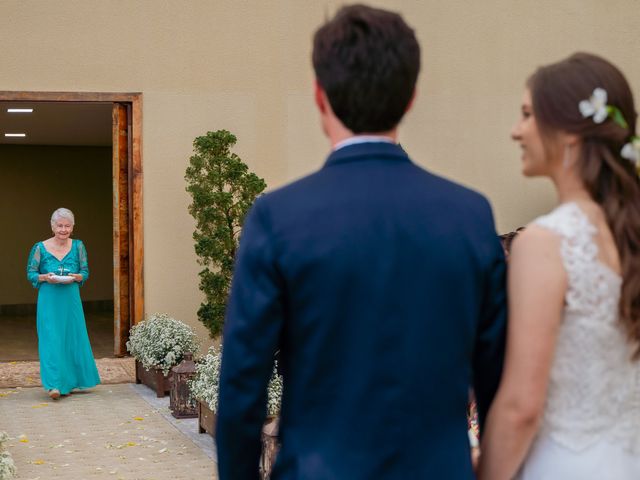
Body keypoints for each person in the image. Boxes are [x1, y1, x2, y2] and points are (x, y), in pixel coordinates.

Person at [216, 5, 507, 479]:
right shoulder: (469, 216)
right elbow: (497, 381)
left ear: (319, 95)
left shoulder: (279, 217)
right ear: (411, 97)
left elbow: (242, 383)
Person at [479, 53, 640, 479]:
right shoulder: (630, 237)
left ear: (569, 134)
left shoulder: (546, 243)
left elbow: (522, 407)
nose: (516, 130)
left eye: (528, 115)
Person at [26, 208, 100, 399]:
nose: (63, 229)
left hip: (71, 299)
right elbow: (31, 273)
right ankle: (54, 386)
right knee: (51, 339)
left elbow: (85, 271)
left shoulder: (78, 246)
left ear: (72, 227)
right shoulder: (39, 248)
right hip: (49, 299)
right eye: (60, 225)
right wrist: (44, 277)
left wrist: (78, 276)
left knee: (72, 338)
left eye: (67, 226)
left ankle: (71, 381)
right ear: (53, 226)